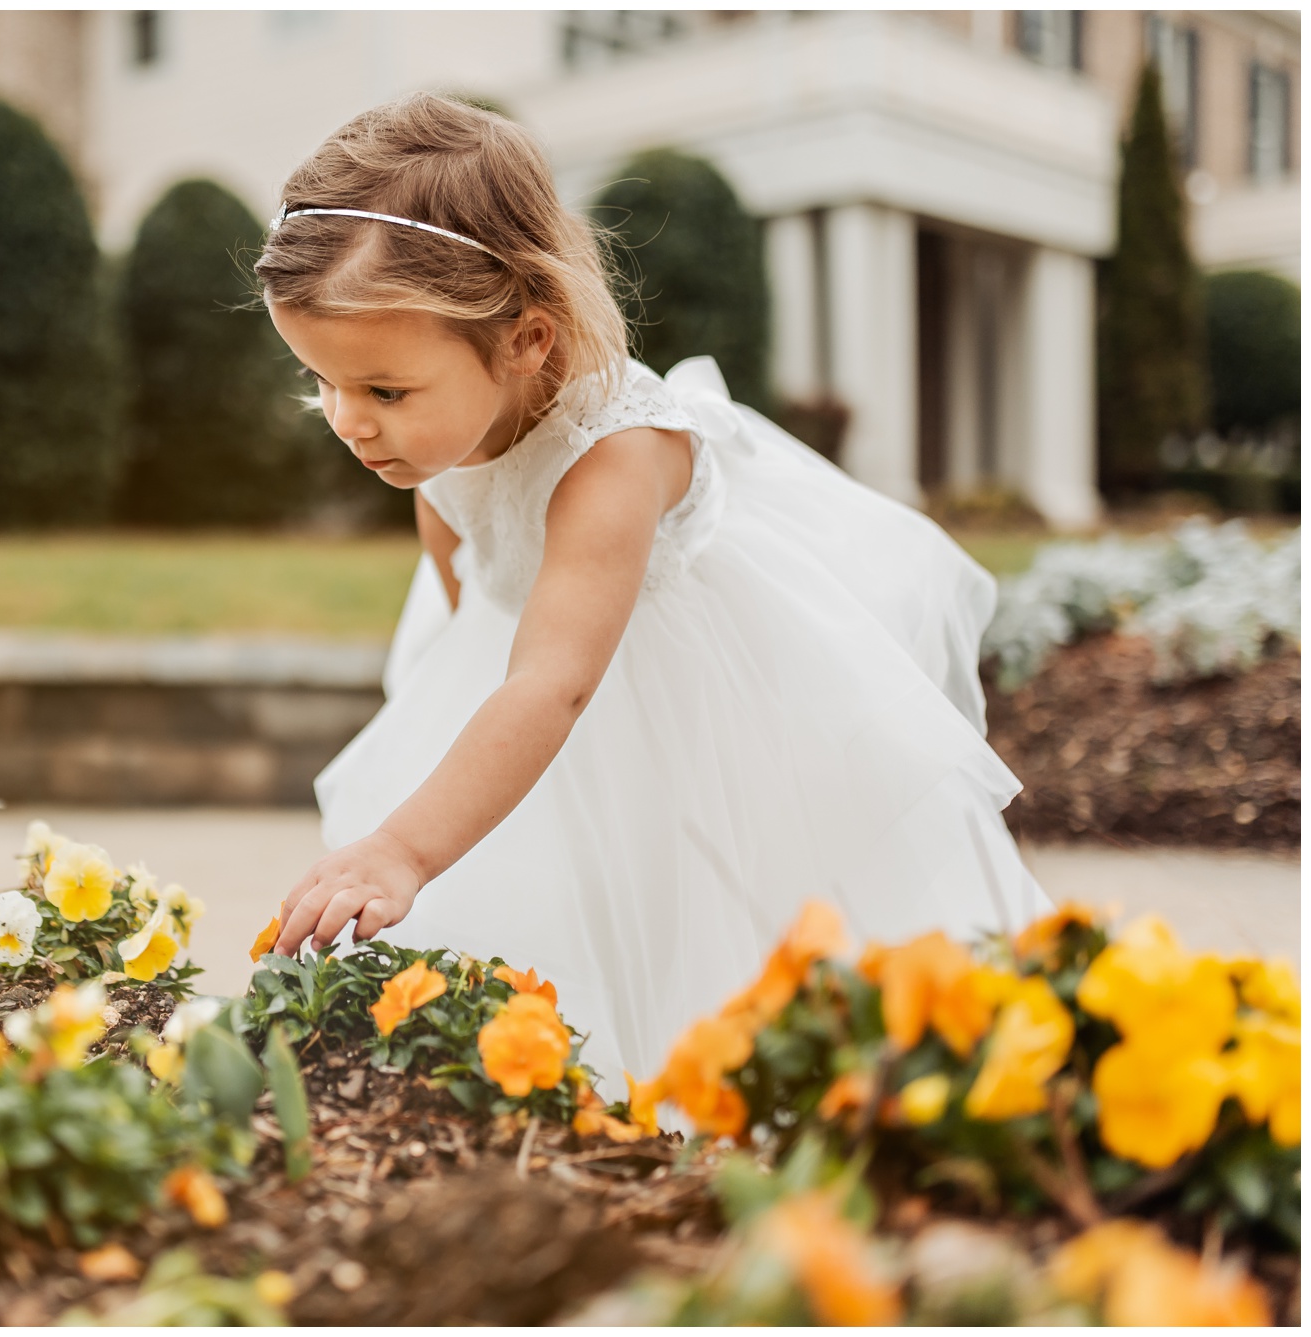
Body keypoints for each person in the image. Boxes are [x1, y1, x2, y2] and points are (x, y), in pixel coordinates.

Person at [255, 93, 1050, 1087]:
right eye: (321, 382)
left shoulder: (613, 454)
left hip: (707, 709)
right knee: (560, 918)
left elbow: (553, 684)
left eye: (382, 391)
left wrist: (405, 850)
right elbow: (469, 604)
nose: (347, 422)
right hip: (540, 680)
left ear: (526, 341)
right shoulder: (437, 451)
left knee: (723, 924)